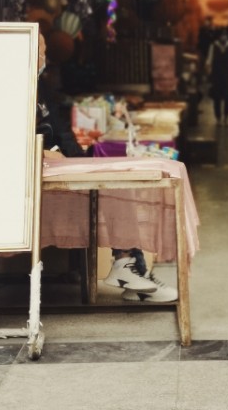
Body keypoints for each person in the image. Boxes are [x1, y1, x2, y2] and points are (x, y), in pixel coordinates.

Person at [37, 33, 177, 303]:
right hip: (31, 177)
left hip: (56, 168)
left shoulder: (39, 87)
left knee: (117, 180)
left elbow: (61, 129)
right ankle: (127, 265)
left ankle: (128, 265)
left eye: (45, 51)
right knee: (110, 190)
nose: (45, 58)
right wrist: (39, 151)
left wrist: (78, 160)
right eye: (40, 51)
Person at [206, 27, 228, 125]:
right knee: (217, 98)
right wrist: (209, 73)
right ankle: (218, 118)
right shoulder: (213, 46)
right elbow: (209, 61)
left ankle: (226, 117)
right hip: (217, 75)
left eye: (225, 35)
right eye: (222, 35)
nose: (224, 37)